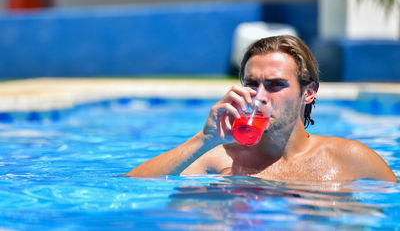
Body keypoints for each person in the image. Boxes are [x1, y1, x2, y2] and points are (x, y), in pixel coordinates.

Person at [125, 35, 397, 182]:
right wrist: (203, 140)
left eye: (276, 85)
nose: (260, 96)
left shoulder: (351, 158)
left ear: (309, 92)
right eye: (252, 84)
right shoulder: (220, 158)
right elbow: (131, 184)